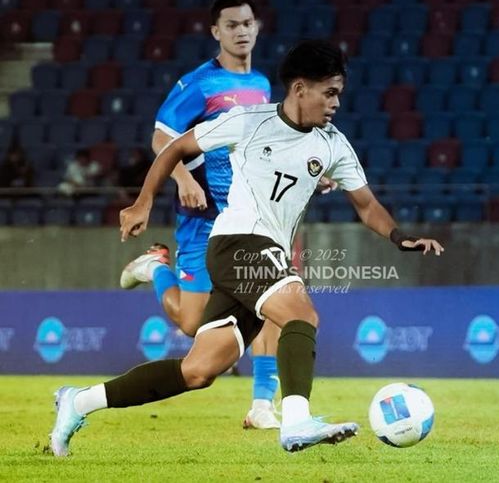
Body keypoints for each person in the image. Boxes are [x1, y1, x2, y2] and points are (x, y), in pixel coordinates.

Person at [50, 39, 444, 457]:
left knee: (199, 370)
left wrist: (400, 236)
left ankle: (78, 401)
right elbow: (177, 147)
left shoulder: (333, 145)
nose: (335, 104)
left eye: (339, 94)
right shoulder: (249, 121)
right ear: (299, 88)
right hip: (237, 241)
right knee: (301, 313)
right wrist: (143, 200)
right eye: (329, 93)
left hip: (258, 253)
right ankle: (295, 421)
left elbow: (366, 205)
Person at [116, 0, 282, 429]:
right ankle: (154, 269)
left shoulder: (263, 85)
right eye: (231, 25)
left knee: (269, 300)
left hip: (248, 218)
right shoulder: (198, 84)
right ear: (215, 32)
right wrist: (184, 177)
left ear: (257, 27)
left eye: (247, 23)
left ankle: (263, 406)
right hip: (202, 217)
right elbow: (161, 138)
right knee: (191, 325)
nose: (241, 31)